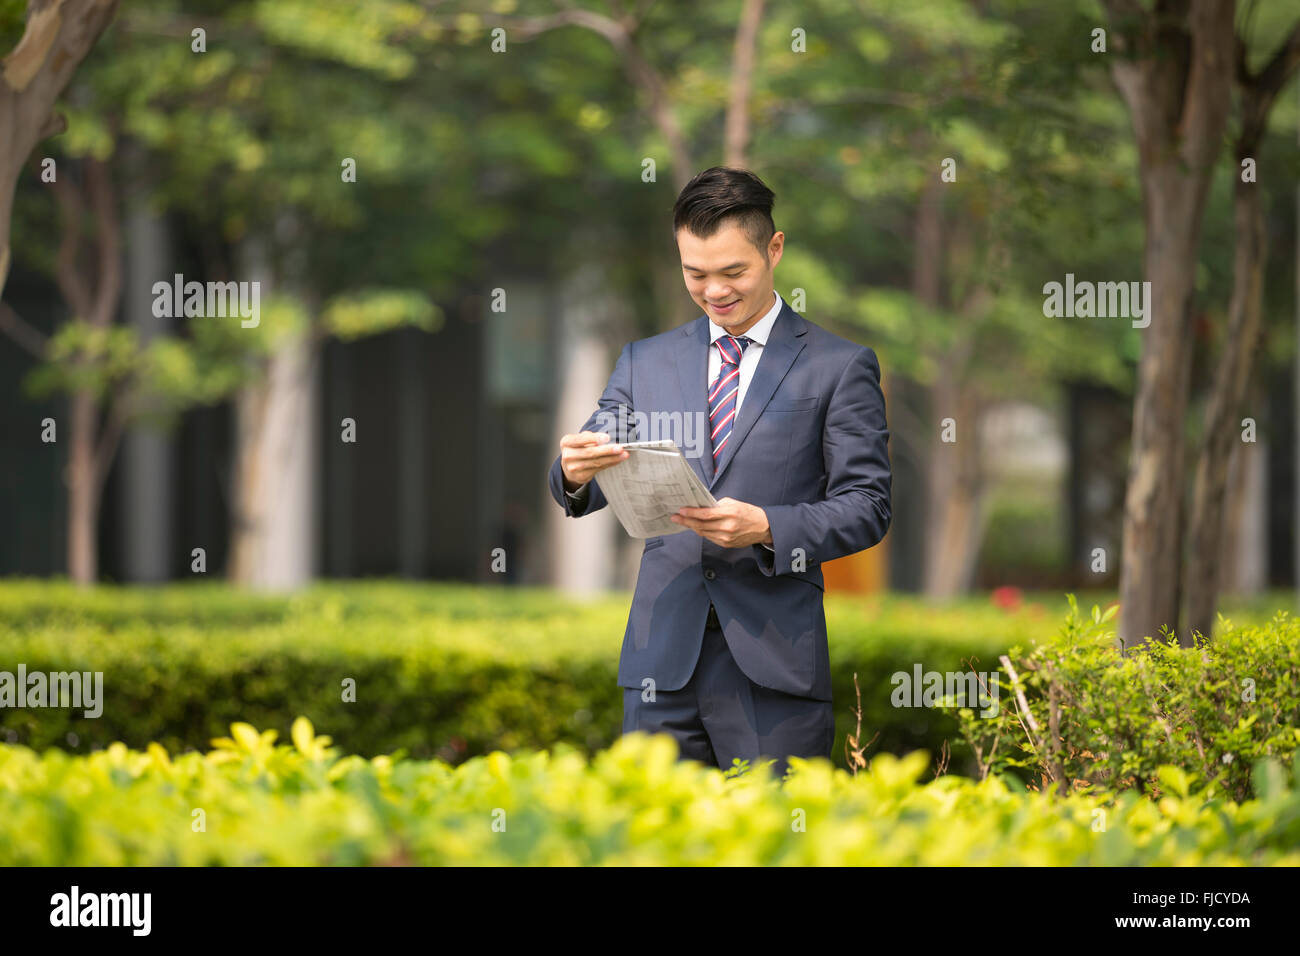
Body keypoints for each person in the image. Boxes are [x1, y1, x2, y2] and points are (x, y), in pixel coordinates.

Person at [547, 166, 891, 778]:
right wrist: (574, 471)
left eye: (733, 272)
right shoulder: (644, 361)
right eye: (694, 274)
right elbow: (590, 472)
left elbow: (867, 505)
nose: (714, 291)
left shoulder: (839, 367)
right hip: (660, 665)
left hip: (774, 666)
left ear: (774, 248)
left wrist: (767, 526)